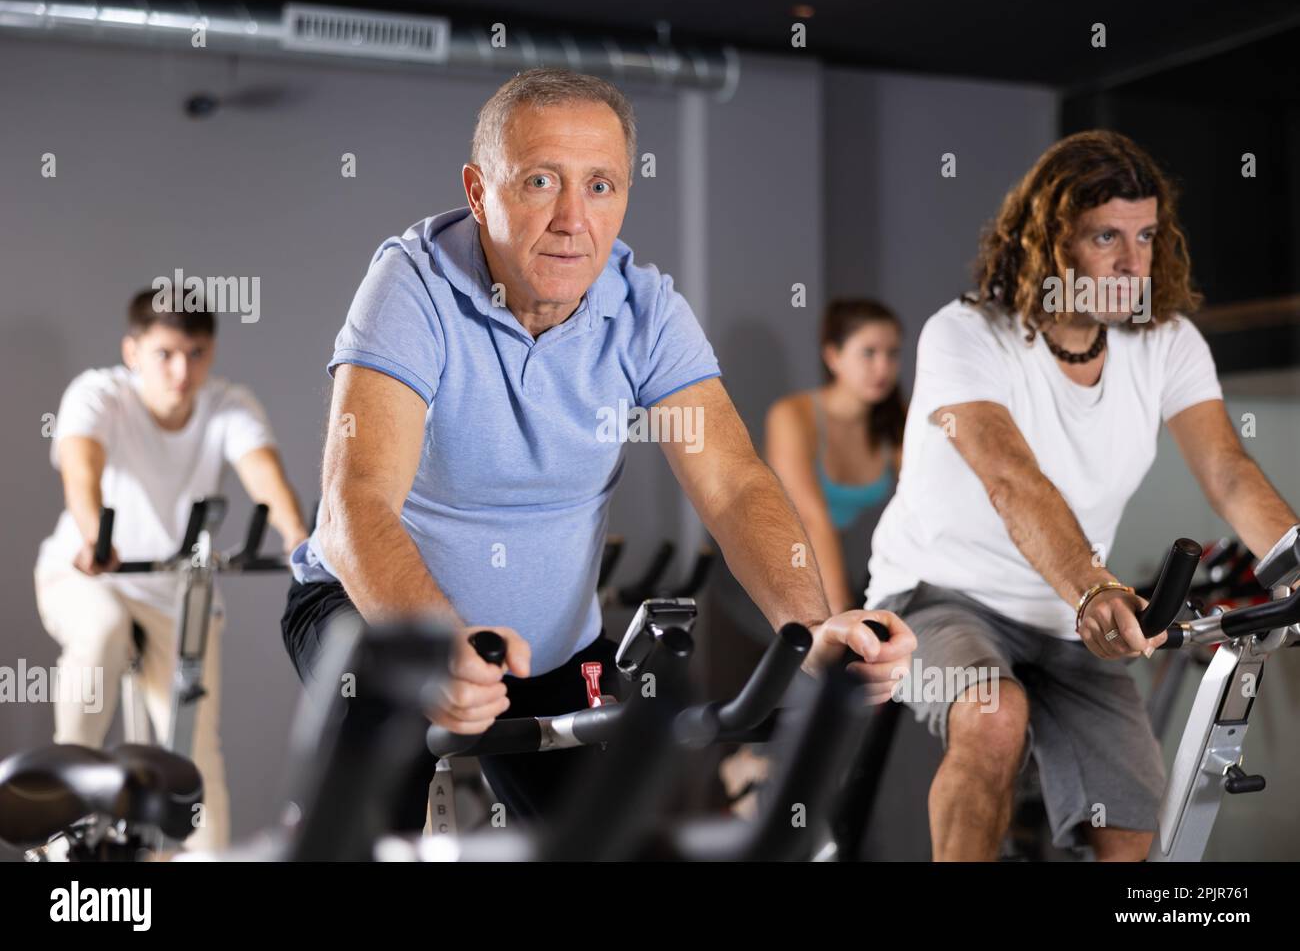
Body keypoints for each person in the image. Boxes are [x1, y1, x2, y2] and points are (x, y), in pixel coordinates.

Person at [281, 67, 917, 830]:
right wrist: (441, 646)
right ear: (480, 191)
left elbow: (732, 485)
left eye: (601, 186)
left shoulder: (644, 308)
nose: (572, 219)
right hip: (382, 623)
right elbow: (357, 501)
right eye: (541, 181)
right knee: (361, 826)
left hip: (556, 652)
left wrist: (813, 627)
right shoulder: (411, 286)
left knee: (613, 839)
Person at [864, 129, 1300, 860]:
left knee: (1129, 820)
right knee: (993, 715)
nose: (1135, 262)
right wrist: (1093, 586)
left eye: (1147, 235)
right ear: (1051, 243)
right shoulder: (966, 334)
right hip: (937, 594)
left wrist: (1295, 557)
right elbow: (1012, 479)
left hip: (1065, 621)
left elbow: (1227, 470)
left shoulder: (1167, 343)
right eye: (1107, 236)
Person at [34, 289, 309, 850]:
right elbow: (81, 468)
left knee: (194, 754)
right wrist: (93, 534)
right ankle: (64, 819)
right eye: (165, 354)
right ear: (132, 351)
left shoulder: (228, 405)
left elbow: (265, 478)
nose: (182, 371)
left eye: (197, 353)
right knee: (103, 630)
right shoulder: (98, 393)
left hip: (176, 591)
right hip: (88, 576)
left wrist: (301, 542)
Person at [765, 299, 905, 614]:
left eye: (893, 354)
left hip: (844, 570)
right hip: (772, 569)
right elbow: (811, 520)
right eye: (869, 353)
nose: (883, 367)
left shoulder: (897, 420)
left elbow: (925, 501)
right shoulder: (791, 415)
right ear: (833, 356)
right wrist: (841, 611)